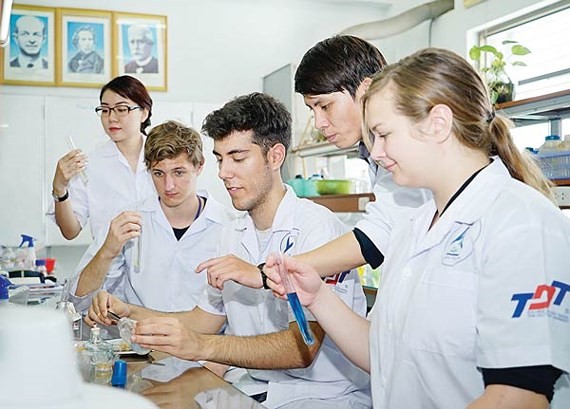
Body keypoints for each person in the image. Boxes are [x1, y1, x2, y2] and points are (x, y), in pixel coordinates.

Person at [265, 47, 570, 409]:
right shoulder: (416, 225)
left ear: (437, 123)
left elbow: (518, 396)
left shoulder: (521, 223)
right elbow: (385, 358)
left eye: (383, 134)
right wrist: (319, 298)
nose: (375, 153)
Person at [86, 93, 371, 409]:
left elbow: (300, 349)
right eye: (221, 159)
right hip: (256, 390)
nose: (223, 173)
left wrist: (201, 347)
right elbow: (201, 320)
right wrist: (131, 312)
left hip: (324, 398)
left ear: (275, 157)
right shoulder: (231, 235)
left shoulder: (316, 229)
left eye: (237, 158)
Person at [67, 120, 234, 313]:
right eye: (158, 173)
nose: (168, 185)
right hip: (138, 341)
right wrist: (107, 251)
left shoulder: (228, 226)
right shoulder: (128, 220)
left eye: (178, 172)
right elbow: (76, 303)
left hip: (206, 340)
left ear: (199, 166)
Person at [47, 75, 157, 240]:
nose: (111, 118)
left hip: (160, 263)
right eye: (105, 110)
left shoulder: (164, 158)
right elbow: (70, 231)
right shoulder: (89, 165)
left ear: (144, 113)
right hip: (109, 264)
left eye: (121, 109)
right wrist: (59, 189)